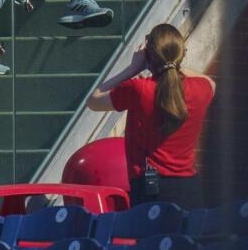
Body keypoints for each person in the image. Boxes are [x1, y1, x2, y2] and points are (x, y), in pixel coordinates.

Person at [88, 24, 215, 207]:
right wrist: (174, 64)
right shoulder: (201, 89)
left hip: (150, 191)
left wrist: (133, 69)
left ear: (149, 56)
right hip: (189, 189)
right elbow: (210, 82)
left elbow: (93, 100)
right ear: (181, 53)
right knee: (187, 236)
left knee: (152, 237)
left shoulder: (139, 89)